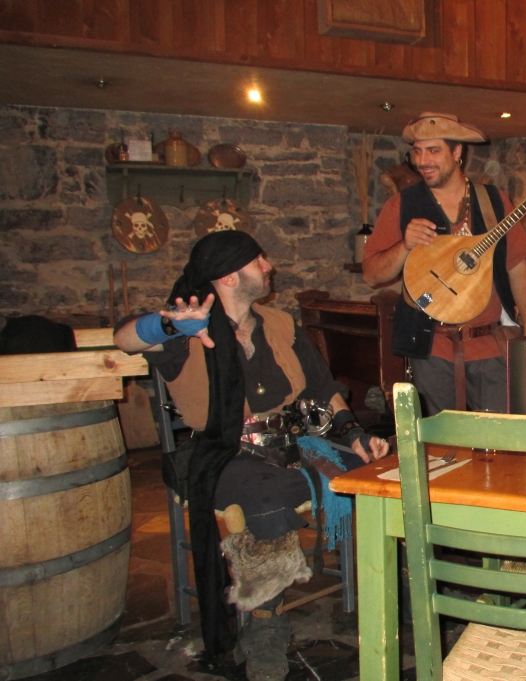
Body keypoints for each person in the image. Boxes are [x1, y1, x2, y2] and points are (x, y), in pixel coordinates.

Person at [114, 230, 388, 681]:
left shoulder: (279, 323)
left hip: (295, 444)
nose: (268, 266)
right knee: (266, 497)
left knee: (384, 473)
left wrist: (354, 433)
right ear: (228, 277)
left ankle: (386, 591)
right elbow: (124, 339)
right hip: (224, 454)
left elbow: (323, 387)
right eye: (258, 260)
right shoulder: (187, 330)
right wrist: (170, 326)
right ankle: (265, 625)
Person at [362, 112, 526, 415]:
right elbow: (371, 275)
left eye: (433, 151)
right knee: (440, 441)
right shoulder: (401, 205)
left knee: (499, 437)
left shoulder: (494, 201)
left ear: (457, 153)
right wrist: (404, 245)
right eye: (417, 151)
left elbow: (517, 267)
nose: (423, 161)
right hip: (432, 349)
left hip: (491, 346)